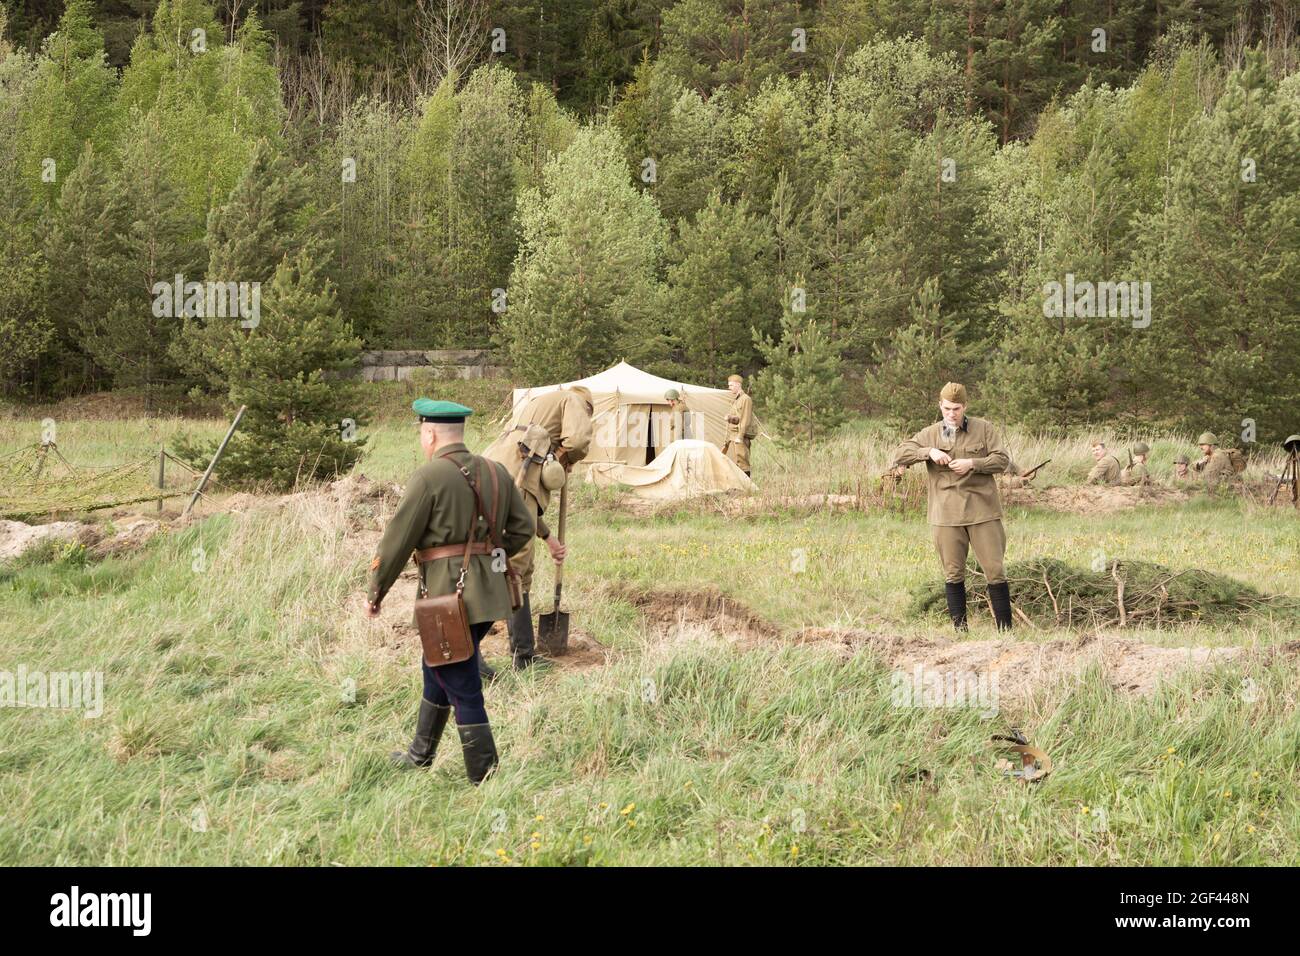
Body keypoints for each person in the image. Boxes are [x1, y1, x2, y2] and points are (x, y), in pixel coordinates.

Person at [365, 399, 534, 784]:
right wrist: (486, 552)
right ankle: (420, 754)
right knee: (437, 664)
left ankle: (485, 776)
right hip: (490, 597)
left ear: (430, 433)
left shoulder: (429, 477)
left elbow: (398, 540)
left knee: (460, 679)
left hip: (447, 598)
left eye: (422, 434)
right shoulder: (496, 472)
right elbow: (522, 530)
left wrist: (376, 590)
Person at [482, 386, 593, 669]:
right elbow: (579, 440)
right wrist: (567, 456)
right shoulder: (574, 400)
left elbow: (523, 515)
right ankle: (523, 655)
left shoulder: (538, 403)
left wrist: (548, 538)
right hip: (520, 472)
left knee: (492, 561)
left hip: (493, 470)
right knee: (516, 568)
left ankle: (482, 653)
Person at [890, 382, 1013, 631]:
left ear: (965, 406)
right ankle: (960, 632)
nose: (951, 414)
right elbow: (901, 453)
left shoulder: (984, 429)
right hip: (946, 514)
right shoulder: (931, 433)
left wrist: (972, 463)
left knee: (995, 571)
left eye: (956, 408)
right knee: (953, 574)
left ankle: (1005, 632)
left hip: (982, 511)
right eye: (947, 408)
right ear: (940, 405)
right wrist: (929, 452)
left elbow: (1002, 460)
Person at [722, 374, 755, 476]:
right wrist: (730, 417)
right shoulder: (737, 399)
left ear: (738, 385)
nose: (729, 387)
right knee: (737, 461)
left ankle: (747, 487)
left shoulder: (746, 399)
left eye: (731, 385)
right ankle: (740, 486)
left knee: (743, 461)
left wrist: (740, 436)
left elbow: (746, 418)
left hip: (740, 435)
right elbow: (738, 418)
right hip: (734, 434)